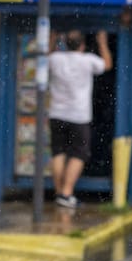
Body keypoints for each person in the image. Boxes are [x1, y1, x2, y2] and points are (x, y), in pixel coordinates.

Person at [47, 29, 113, 208]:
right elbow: (107, 64)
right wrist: (102, 43)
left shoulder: (55, 59)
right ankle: (67, 193)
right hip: (79, 115)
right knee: (79, 153)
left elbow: (44, 59)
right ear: (83, 45)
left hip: (56, 113)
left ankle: (59, 192)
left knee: (58, 152)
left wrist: (51, 41)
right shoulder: (88, 60)